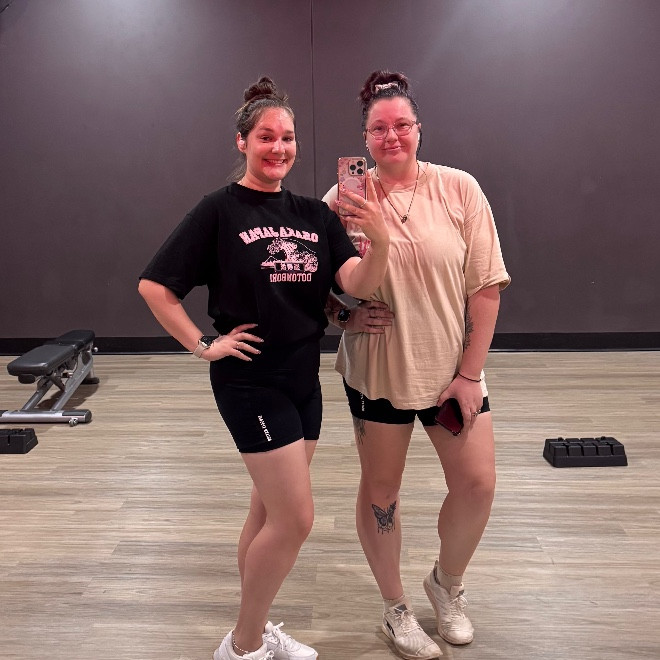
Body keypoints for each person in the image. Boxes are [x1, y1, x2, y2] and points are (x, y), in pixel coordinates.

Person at [138, 76, 390, 660]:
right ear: (242, 142)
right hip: (250, 380)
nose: (279, 148)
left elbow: (355, 284)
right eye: (266, 137)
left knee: (268, 510)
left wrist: (377, 241)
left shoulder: (314, 214)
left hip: (304, 380)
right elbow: (155, 286)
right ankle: (244, 644)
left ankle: (254, 625)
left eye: (288, 138)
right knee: (296, 519)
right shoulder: (219, 210)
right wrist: (203, 344)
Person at [323, 70, 510, 660]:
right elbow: (313, 284)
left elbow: (486, 287)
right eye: (379, 128)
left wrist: (470, 375)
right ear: (365, 137)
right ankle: (396, 609)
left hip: (452, 369)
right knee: (382, 492)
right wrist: (344, 316)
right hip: (378, 371)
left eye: (401, 125)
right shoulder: (344, 199)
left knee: (477, 485)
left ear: (419, 129)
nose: (392, 136)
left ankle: (445, 584)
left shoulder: (458, 188)